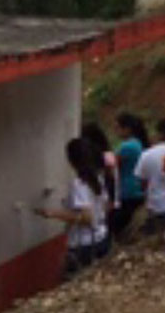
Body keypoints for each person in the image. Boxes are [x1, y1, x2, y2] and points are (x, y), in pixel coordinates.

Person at [34, 138, 111, 279]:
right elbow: (105, 207)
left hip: (85, 245)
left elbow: (87, 218)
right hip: (102, 237)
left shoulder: (79, 184)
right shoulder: (97, 177)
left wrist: (53, 213)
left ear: (72, 160)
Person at [111, 112, 150, 238]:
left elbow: (113, 164)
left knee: (115, 226)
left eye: (117, 128)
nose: (115, 131)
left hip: (128, 191)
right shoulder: (138, 144)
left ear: (127, 129)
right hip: (136, 189)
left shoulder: (128, 146)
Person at [81, 122, 119, 212]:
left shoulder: (104, 155)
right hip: (101, 194)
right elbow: (113, 177)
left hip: (98, 193)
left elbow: (111, 177)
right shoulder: (108, 154)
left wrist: (112, 198)